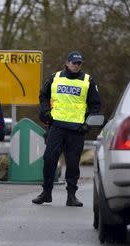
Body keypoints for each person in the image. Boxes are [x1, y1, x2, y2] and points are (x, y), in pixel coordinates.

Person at [32, 51, 101, 207]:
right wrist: (45, 113)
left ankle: (71, 196)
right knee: (49, 160)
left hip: (76, 130)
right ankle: (46, 193)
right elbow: (43, 96)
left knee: (73, 164)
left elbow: (95, 105)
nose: (76, 66)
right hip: (56, 126)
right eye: (74, 63)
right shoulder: (54, 78)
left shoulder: (88, 81)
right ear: (67, 63)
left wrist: (87, 124)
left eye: (79, 63)